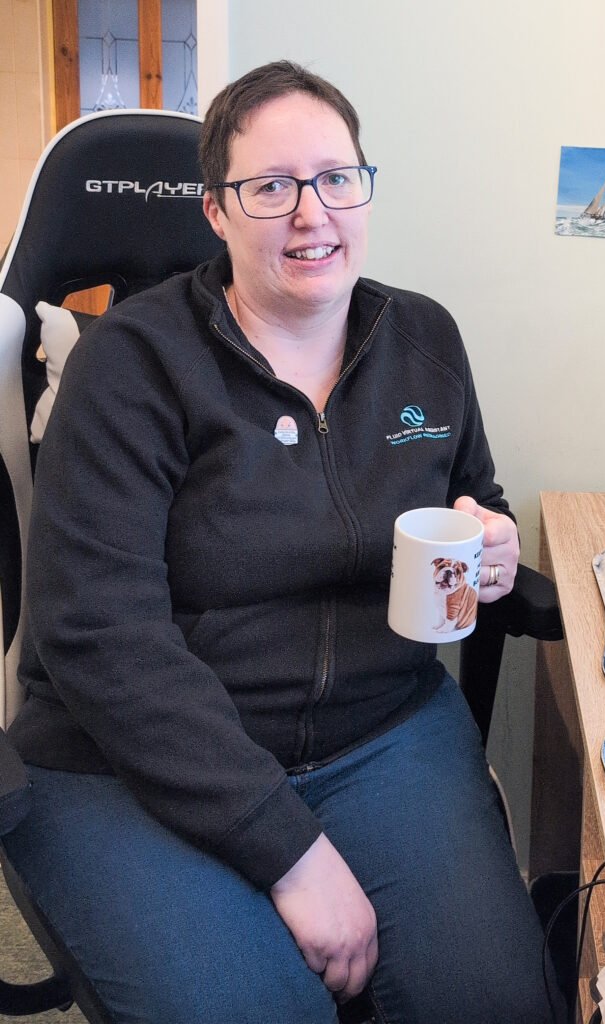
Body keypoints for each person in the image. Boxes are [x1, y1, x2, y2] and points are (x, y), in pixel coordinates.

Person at [4, 62, 561, 1024]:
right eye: (271, 187)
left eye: (337, 178)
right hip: (134, 758)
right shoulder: (130, 364)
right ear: (216, 212)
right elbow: (99, 637)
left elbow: (476, 499)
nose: (313, 213)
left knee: (495, 1004)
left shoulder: (424, 339)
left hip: (382, 729)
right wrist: (294, 855)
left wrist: (495, 546)